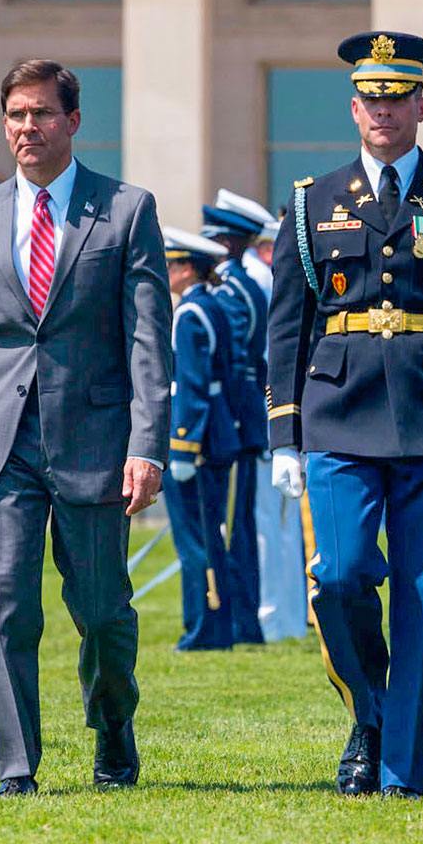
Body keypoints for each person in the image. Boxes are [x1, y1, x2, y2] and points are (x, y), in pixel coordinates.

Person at [265, 31, 423, 800]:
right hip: (339, 414)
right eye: (372, 99)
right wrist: (284, 432)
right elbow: (286, 324)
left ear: (421, 106)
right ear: (354, 109)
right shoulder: (313, 201)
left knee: (422, 598)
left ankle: (403, 769)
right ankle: (368, 715)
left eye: (397, 98)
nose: (384, 111)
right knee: (337, 578)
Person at [0, 59, 171, 798]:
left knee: (101, 614)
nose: (27, 128)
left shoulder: (126, 211)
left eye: (41, 114)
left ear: (73, 122)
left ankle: (113, 724)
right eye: (16, 116)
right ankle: (17, 765)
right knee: (3, 609)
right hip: (0, 447)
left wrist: (146, 446)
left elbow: (148, 342)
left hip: (94, 441)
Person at [161, 226, 242, 652]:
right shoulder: (210, 306)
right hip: (218, 434)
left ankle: (203, 629)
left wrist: (182, 445)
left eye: (171, 264)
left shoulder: (190, 314)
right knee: (211, 535)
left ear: (188, 269)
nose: (166, 271)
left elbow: (191, 387)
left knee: (196, 540)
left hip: (200, 440)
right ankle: (216, 626)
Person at [201, 190, 273, 646]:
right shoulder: (241, 285)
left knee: (230, 526)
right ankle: (239, 618)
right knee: (237, 525)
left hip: (232, 420)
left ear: (227, 242)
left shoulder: (229, 291)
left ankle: (235, 619)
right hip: (242, 419)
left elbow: (225, 360)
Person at [243, 211, 307, 642]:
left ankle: (276, 618)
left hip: (272, 416)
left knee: (273, 525)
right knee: (282, 527)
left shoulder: (262, 281)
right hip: (276, 414)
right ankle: (286, 617)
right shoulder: (260, 280)